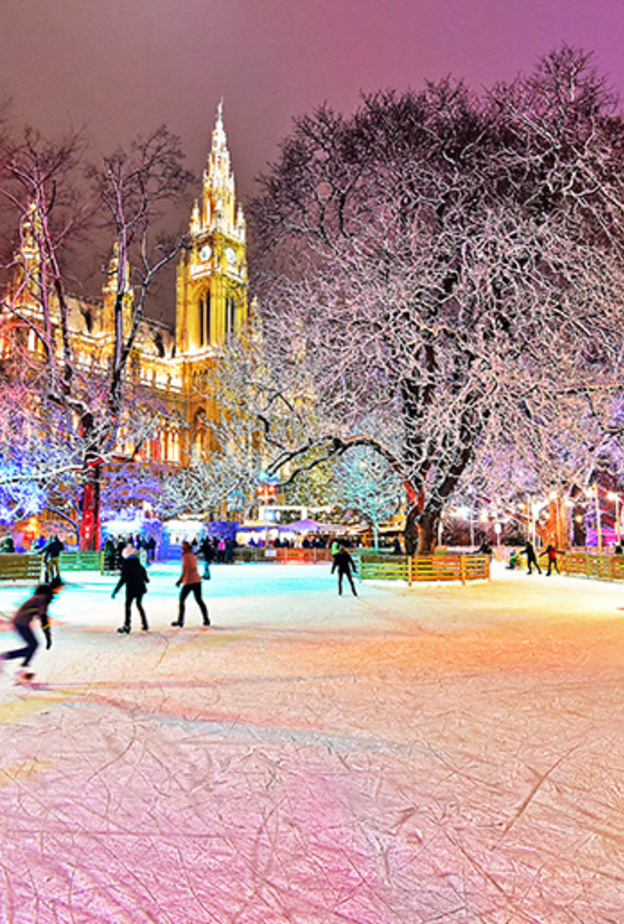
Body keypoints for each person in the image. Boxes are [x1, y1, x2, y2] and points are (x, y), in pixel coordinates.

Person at [0, 583, 56, 682]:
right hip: (21, 623)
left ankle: (19, 666)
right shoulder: (44, 598)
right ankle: (19, 667)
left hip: (20, 622)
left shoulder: (40, 597)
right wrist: (47, 633)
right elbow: (42, 615)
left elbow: (40, 614)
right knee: (33, 645)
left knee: (32, 646)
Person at [112, 545, 150, 633]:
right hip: (140, 588)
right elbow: (146, 578)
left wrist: (116, 591)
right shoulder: (139, 565)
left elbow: (123, 579)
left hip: (131, 588)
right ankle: (145, 624)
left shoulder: (126, 565)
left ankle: (127, 625)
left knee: (128, 606)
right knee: (139, 604)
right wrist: (145, 579)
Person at [172, 541, 210, 627]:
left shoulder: (185, 557)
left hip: (189, 581)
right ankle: (206, 619)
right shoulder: (193, 556)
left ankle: (180, 620)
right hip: (197, 581)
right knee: (199, 600)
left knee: (182, 600)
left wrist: (179, 581)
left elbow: (185, 571)